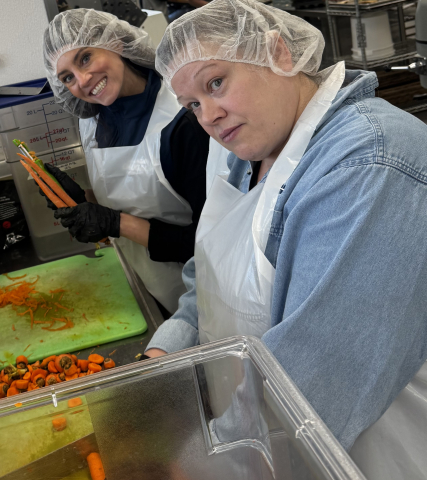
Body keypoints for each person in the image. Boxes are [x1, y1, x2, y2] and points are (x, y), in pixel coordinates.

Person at [142, 0, 427, 478]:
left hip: (360, 456)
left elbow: (316, 381)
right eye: (192, 103)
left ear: (277, 53)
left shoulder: (368, 166)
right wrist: (161, 357)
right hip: (262, 445)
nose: (207, 115)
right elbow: (208, 276)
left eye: (216, 82)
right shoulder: (247, 153)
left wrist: (199, 466)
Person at [42, 9, 210, 314]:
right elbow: (128, 195)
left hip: (194, 297)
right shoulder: (91, 120)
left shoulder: (182, 121)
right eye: (67, 77)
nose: (82, 80)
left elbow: (208, 242)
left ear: (116, 42)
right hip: (139, 286)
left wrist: (114, 223)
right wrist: (81, 202)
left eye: (85, 58)